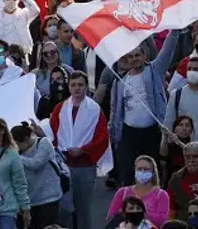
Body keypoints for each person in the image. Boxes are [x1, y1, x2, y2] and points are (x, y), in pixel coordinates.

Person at [40, 71, 111, 229]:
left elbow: (102, 138)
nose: (77, 88)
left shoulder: (95, 109)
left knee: (83, 209)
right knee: (64, 208)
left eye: (80, 85)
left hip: (85, 166)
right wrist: (39, 132)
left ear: (86, 86)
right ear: (69, 87)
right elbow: (52, 132)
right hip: (64, 165)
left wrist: (84, 150)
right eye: (73, 85)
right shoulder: (60, 108)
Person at [110, 29, 180, 186]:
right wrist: (114, 136)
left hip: (152, 134)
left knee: (152, 176)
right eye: (131, 56)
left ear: (144, 56)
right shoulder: (119, 81)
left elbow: (167, 50)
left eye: (137, 55)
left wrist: (175, 31)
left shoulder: (155, 70)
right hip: (129, 136)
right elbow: (115, 112)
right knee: (128, 178)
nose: (135, 59)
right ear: (126, 59)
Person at [10, 123, 62, 229]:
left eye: (18, 144)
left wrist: (16, 157)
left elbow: (36, 163)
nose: (17, 148)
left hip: (49, 198)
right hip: (31, 201)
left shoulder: (43, 143)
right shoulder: (19, 153)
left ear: (26, 138)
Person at [107, 156, 169, 228]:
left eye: (146, 169)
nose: (142, 171)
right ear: (135, 171)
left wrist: (138, 214)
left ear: (153, 173)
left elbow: (161, 221)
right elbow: (111, 216)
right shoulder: (122, 192)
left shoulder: (161, 195)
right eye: (139, 169)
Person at [159, 115, 194, 188]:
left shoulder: (194, 145)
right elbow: (163, 159)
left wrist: (178, 141)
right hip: (171, 179)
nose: (184, 128)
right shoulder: (170, 145)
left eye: (187, 125)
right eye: (180, 125)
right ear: (174, 129)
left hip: (188, 180)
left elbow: (191, 152)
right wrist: (165, 137)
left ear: (191, 130)